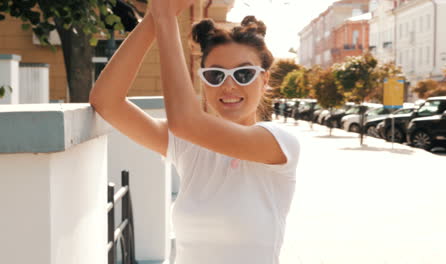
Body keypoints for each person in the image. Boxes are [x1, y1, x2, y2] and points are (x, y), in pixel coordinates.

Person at [89, 1, 300, 263]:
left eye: (244, 74)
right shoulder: (188, 145)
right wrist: (154, 18)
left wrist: (166, 18)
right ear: (204, 80)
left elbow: (186, 122)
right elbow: (106, 101)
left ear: (265, 79)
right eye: (216, 75)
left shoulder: (279, 144)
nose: (229, 85)